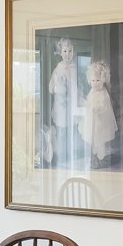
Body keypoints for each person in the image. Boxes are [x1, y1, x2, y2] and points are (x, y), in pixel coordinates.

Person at [47, 37, 81, 167]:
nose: (68, 54)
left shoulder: (74, 67)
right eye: (65, 51)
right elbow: (51, 87)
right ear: (60, 53)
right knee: (61, 132)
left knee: (72, 132)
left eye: (70, 51)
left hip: (71, 104)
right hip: (61, 105)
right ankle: (62, 158)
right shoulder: (58, 68)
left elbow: (77, 86)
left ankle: (71, 156)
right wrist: (58, 86)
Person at [80, 58, 118, 167]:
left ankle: (101, 157)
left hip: (100, 122)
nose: (95, 84)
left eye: (98, 81)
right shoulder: (92, 92)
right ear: (89, 80)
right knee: (92, 138)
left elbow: (104, 106)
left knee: (99, 139)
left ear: (103, 80)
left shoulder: (103, 93)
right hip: (91, 121)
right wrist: (85, 105)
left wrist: (97, 109)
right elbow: (89, 102)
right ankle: (94, 156)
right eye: (93, 81)